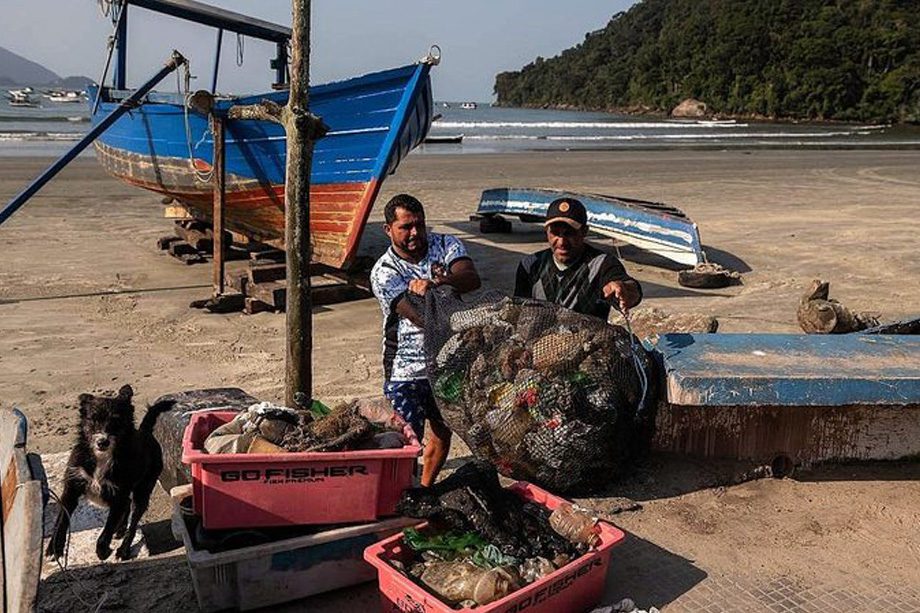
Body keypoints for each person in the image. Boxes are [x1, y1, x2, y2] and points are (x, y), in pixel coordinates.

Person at [370, 194, 481, 486]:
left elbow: (470, 277)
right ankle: (400, 491)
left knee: (443, 431)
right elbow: (419, 317)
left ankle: (426, 487)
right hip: (406, 372)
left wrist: (439, 282)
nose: (415, 234)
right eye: (405, 227)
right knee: (407, 440)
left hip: (447, 363)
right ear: (389, 230)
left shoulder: (445, 244)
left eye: (419, 225)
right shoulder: (385, 271)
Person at [514, 197, 642, 318]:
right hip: (539, 340)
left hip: (588, 340)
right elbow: (519, 312)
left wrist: (623, 289)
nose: (561, 242)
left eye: (569, 233)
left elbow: (632, 291)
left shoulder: (601, 263)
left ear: (584, 231)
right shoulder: (530, 265)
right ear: (546, 231)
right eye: (555, 233)